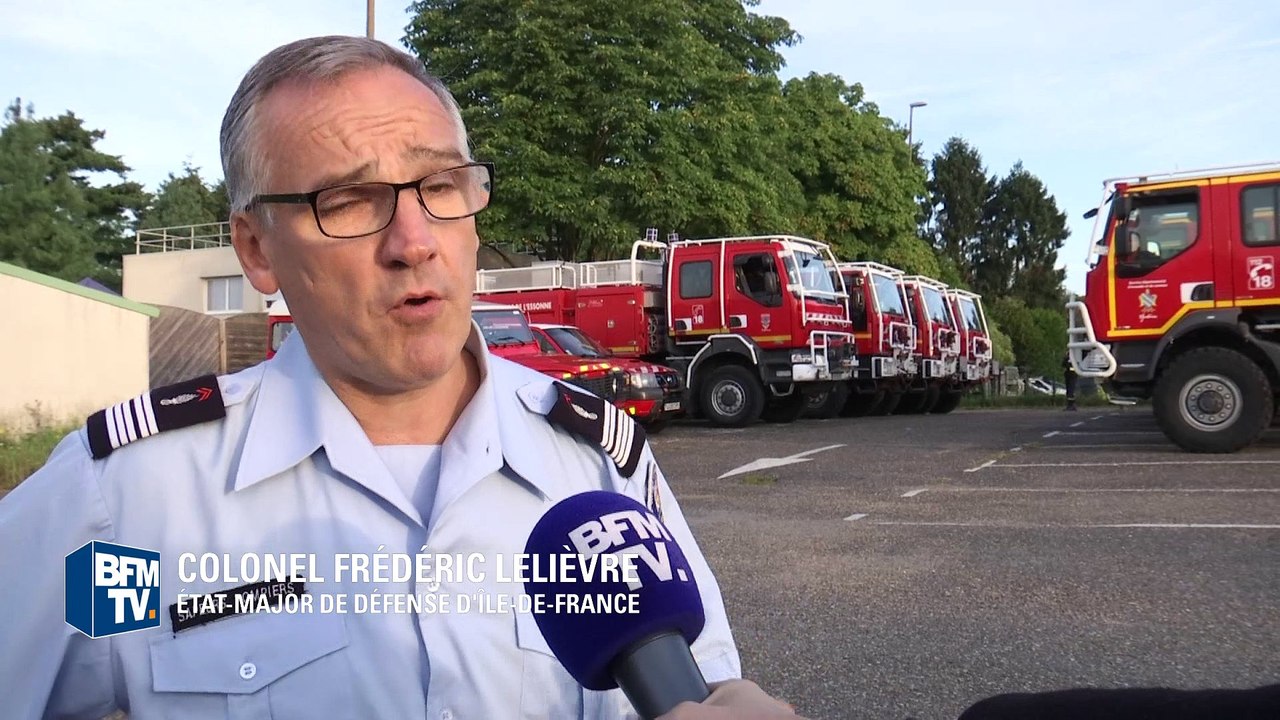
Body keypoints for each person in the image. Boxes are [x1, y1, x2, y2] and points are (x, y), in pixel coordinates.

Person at [0, 36, 801, 719]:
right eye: (348, 200)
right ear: (255, 250)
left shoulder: (595, 469)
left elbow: (698, 684)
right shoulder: (135, 507)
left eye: (440, 186)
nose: (414, 241)